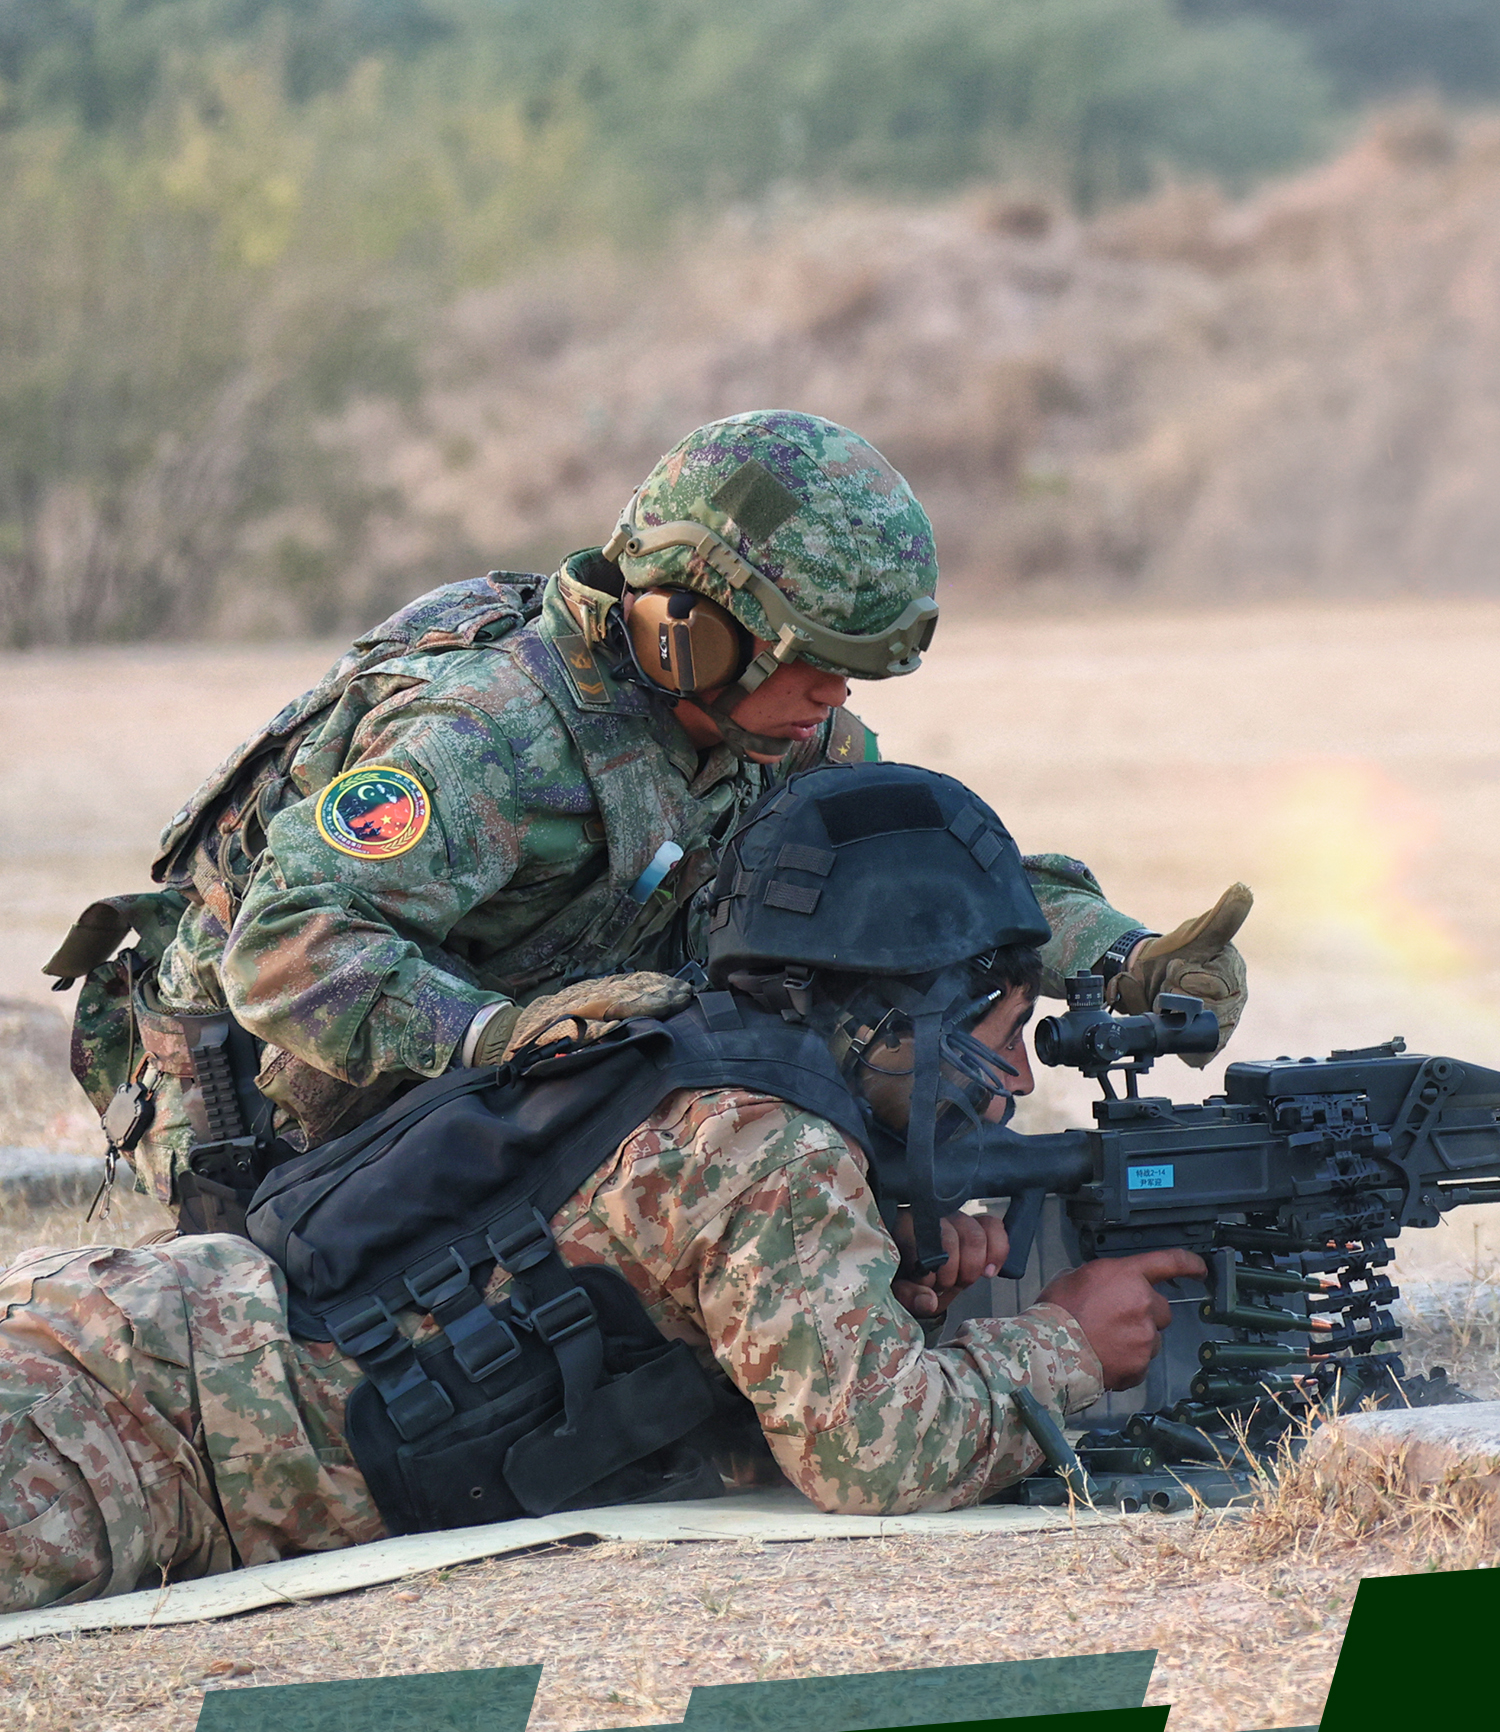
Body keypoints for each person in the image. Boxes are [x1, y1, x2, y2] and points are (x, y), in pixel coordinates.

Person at [0, 764, 1204, 1610]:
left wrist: (891, 1295)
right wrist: (1065, 1340)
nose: (1013, 1078)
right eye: (996, 1032)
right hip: (127, 1432)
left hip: (140, 1355)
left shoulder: (712, 1068)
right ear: (893, 1014)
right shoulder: (772, 1146)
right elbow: (877, 1458)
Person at [45, 408, 1248, 1233]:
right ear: (690, 628)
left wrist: (1124, 957)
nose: (834, 699)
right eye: (813, 662)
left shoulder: (777, 726)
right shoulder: (492, 738)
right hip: (277, 1118)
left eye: (851, 673)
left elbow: (924, 877)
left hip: (488, 1084)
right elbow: (284, 943)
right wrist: (502, 1036)